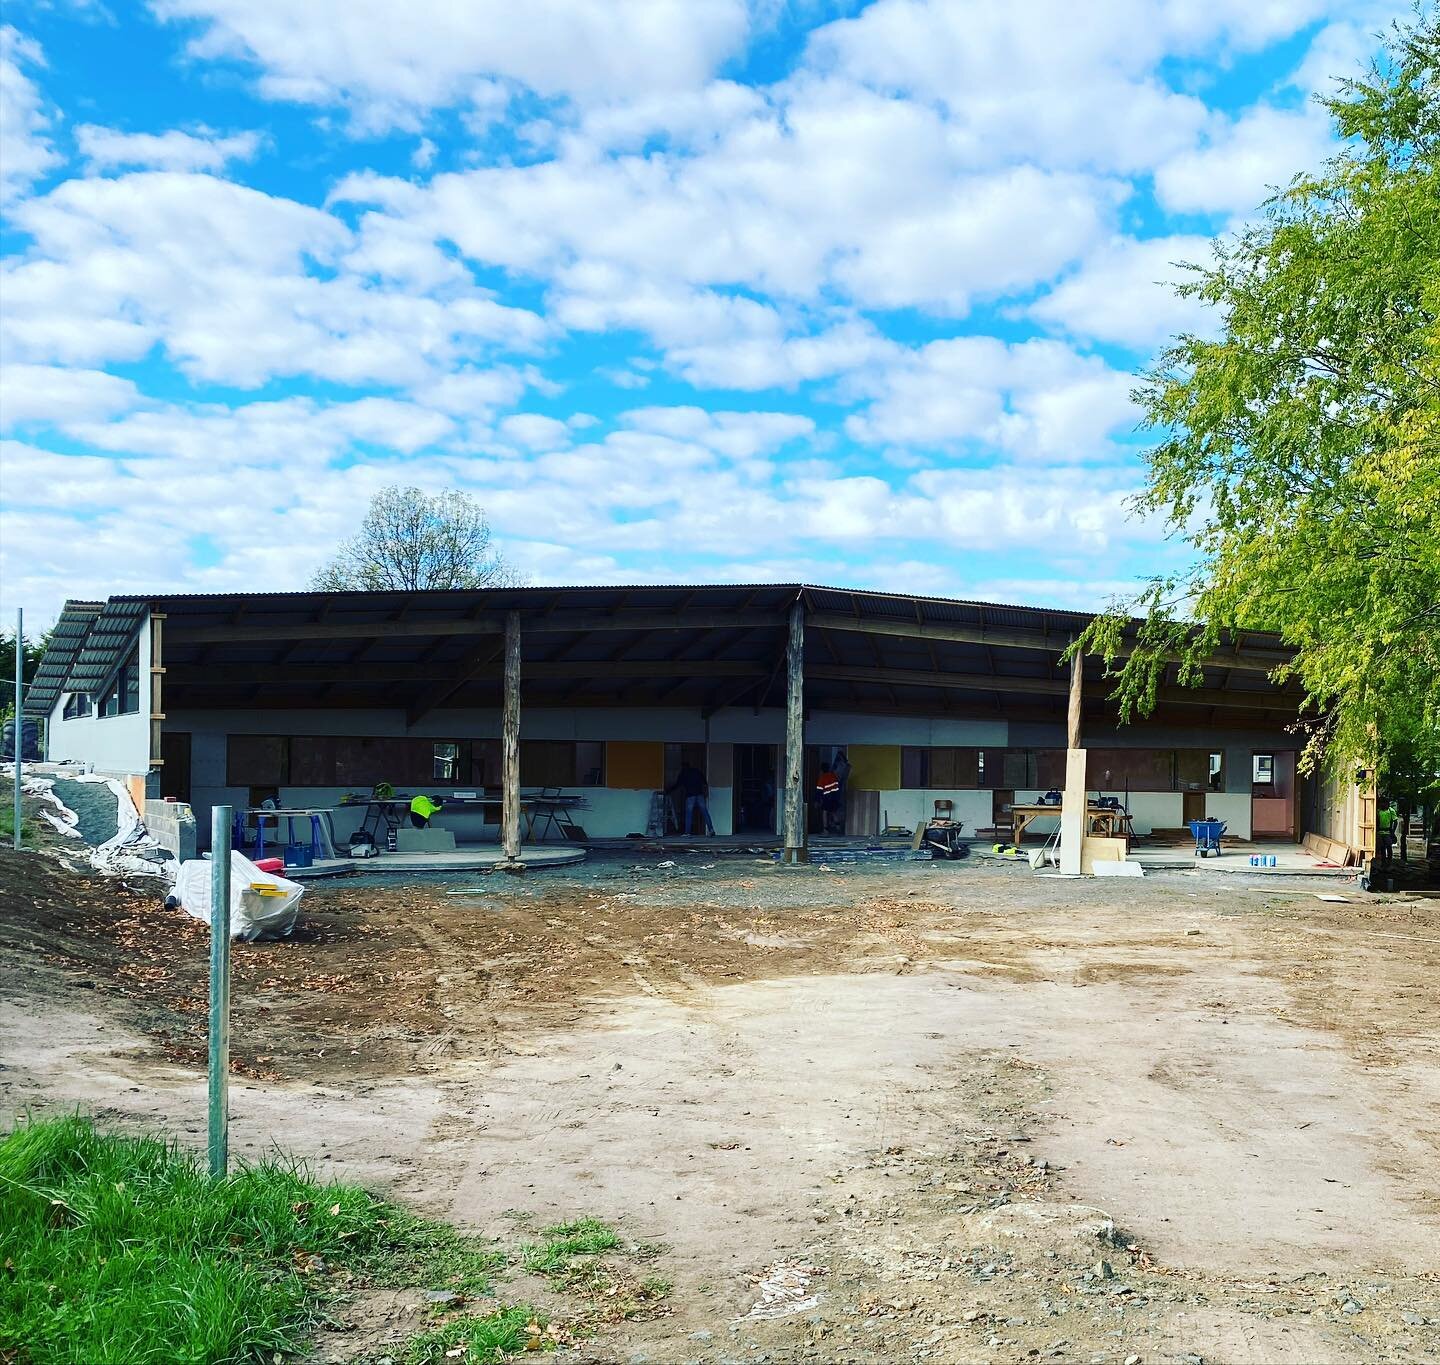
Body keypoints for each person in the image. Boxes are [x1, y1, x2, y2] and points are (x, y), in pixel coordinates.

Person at [667, 762, 715, 836]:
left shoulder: (683, 773)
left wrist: (669, 790)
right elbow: (704, 782)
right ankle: (711, 829)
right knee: (705, 812)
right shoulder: (697, 771)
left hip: (690, 795)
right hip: (700, 794)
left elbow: (678, 784)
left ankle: (687, 832)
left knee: (689, 814)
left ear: (683, 767)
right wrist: (705, 793)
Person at [815, 765, 842, 834]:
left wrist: (817, 801)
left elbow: (819, 790)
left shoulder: (822, 778)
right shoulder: (833, 776)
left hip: (827, 797)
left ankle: (825, 830)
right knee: (834, 812)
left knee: (824, 812)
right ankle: (838, 827)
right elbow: (837, 786)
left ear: (821, 771)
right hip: (835, 797)